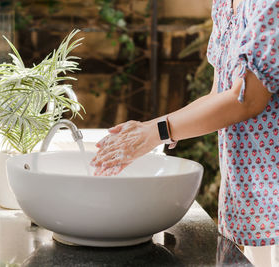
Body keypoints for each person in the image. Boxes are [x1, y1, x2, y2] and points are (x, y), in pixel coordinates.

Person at [91, 0, 279, 266]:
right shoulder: (226, 3)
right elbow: (219, 95)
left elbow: (247, 99)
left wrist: (155, 132)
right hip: (251, 198)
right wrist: (151, 129)